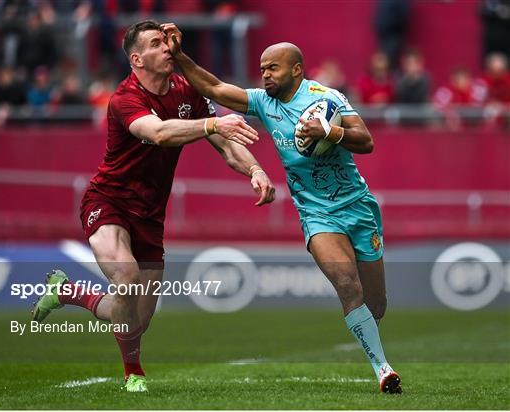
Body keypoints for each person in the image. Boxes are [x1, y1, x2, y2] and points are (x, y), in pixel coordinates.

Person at [31, 20, 275, 393]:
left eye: (166, 42)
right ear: (137, 59)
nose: (167, 48)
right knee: (126, 279)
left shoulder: (186, 90)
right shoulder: (124, 98)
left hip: (150, 215)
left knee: (136, 318)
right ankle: (133, 373)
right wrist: (213, 124)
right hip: (108, 201)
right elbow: (159, 133)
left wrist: (255, 169)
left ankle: (67, 292)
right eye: (157, 44)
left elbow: (226, 145)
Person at [163, 23, 402, 394]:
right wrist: (179, 57)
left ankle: (373, 338)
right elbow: (213, 88)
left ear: (296, 69)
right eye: (261, 69)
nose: (265, 75)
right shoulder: (263, 101)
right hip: (316, 213)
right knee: (345, 283)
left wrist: (328, 132)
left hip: (358, 206)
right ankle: (382, 368)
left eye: (272, 68)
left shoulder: (328, 98)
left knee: (377, 304)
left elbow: (366, 141)